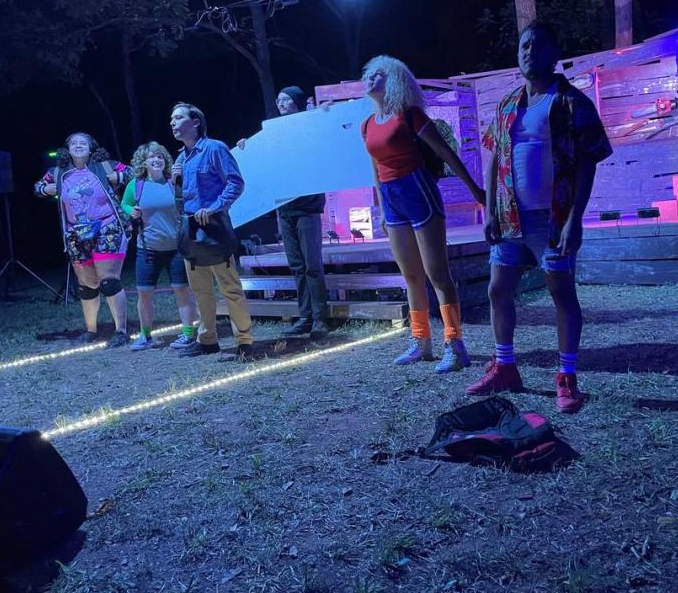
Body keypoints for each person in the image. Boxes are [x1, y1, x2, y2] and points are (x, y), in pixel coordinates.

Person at [466, 21, 613, 413]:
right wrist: (491, 209)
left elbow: (588, 162)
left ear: (554, 54)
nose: (528, 51)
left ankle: (567, 377)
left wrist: (574, 219)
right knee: (498, 290)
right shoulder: (506, 105)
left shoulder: (571, 103)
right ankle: (505, 367)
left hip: (553, 218)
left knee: (561, 294)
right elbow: (495, 155)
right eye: (523, 45)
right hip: (511, 218)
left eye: (537, 45)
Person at [360, 55, 486, 373]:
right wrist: (379, 211)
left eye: (379, 74)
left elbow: (444, 151)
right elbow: (375, 168)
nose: (371, 78)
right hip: (393, 203)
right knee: (411, 276)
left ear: (396, 80)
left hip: (420, 194)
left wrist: (475, 191)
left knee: (438, 274)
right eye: (369, 74)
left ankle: (455, 344)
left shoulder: (410, 115)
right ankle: (420, 341)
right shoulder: (367, 124)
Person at [240, 86, 329, 340]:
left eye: (286, 99)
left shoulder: (308, 126)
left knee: (312, 264)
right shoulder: (275, 133)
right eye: (278, 99)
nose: (280, 103)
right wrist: (248, 146)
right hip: (285, 207)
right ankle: (305, 316)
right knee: (297, 265)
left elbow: (324, 142)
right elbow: (262, 157)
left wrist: (322, 114)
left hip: (307, 206)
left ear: (297, 102)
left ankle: (320, 317)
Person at [170, 102, 255, 360]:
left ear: (195, 122)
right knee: (200, 289)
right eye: (171, 119)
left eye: (178, 118)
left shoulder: (215, 148)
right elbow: (179, 197)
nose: (172, 123)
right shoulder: (181, 158)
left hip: (214, 228)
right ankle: (207, 340)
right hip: (190, 229)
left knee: (229, 287)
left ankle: (244, 340)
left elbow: (235, 183)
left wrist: (215, 207)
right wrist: (174, 181)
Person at [34, 132, 133, 348]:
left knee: (108, 281)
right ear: (67, 149)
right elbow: (37, 187)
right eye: (74, 143)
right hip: (76, 234)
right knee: (87, 285)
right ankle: (91, 330)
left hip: (107, 228)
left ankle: (121, 331)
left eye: (83, 143)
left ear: (91, 148)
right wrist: (46, 189)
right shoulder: (59, 172)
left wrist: (121, 177)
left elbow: (134, 173)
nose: (78, 146)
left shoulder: (105, 166)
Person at [120, 142, 197, 351]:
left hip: (176, 249)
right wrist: (131, 210)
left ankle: (188, 334)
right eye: (152, 157)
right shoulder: (136, 185)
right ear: (143, 162)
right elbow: (124, 204)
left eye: (160, 157)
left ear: (165, 161)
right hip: (147, 249)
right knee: (144, 293)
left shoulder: (174, 183)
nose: (156, 160)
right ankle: (145, 336)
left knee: (182, 290)